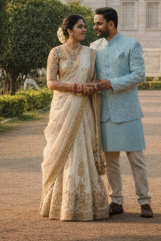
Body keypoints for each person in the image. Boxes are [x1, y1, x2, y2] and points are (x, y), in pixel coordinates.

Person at [40, 14, 109, 221]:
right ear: (69, 30)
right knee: (62, 152)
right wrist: (76, 87)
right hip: (63, 108)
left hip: (83, 109)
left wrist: (93, 87)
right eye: (80, 27)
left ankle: (86, 205)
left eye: (85, 27)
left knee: (82, 151)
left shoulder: (91, 53)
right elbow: (51, 83)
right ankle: (60, 204)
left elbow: (95, 81)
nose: (84, 30)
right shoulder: (56, 52)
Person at [91, 7, 152, 218]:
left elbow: (139, 75)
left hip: (128, 111)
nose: (95, 27)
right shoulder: (93, 47)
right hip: (104, 113)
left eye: (99, 23)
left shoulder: (131, 44)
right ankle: (115, 200)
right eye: (94, 23)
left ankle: (144, 201)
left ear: (111, 24)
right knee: (111, 163)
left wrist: (111, 83)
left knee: (137, 160)